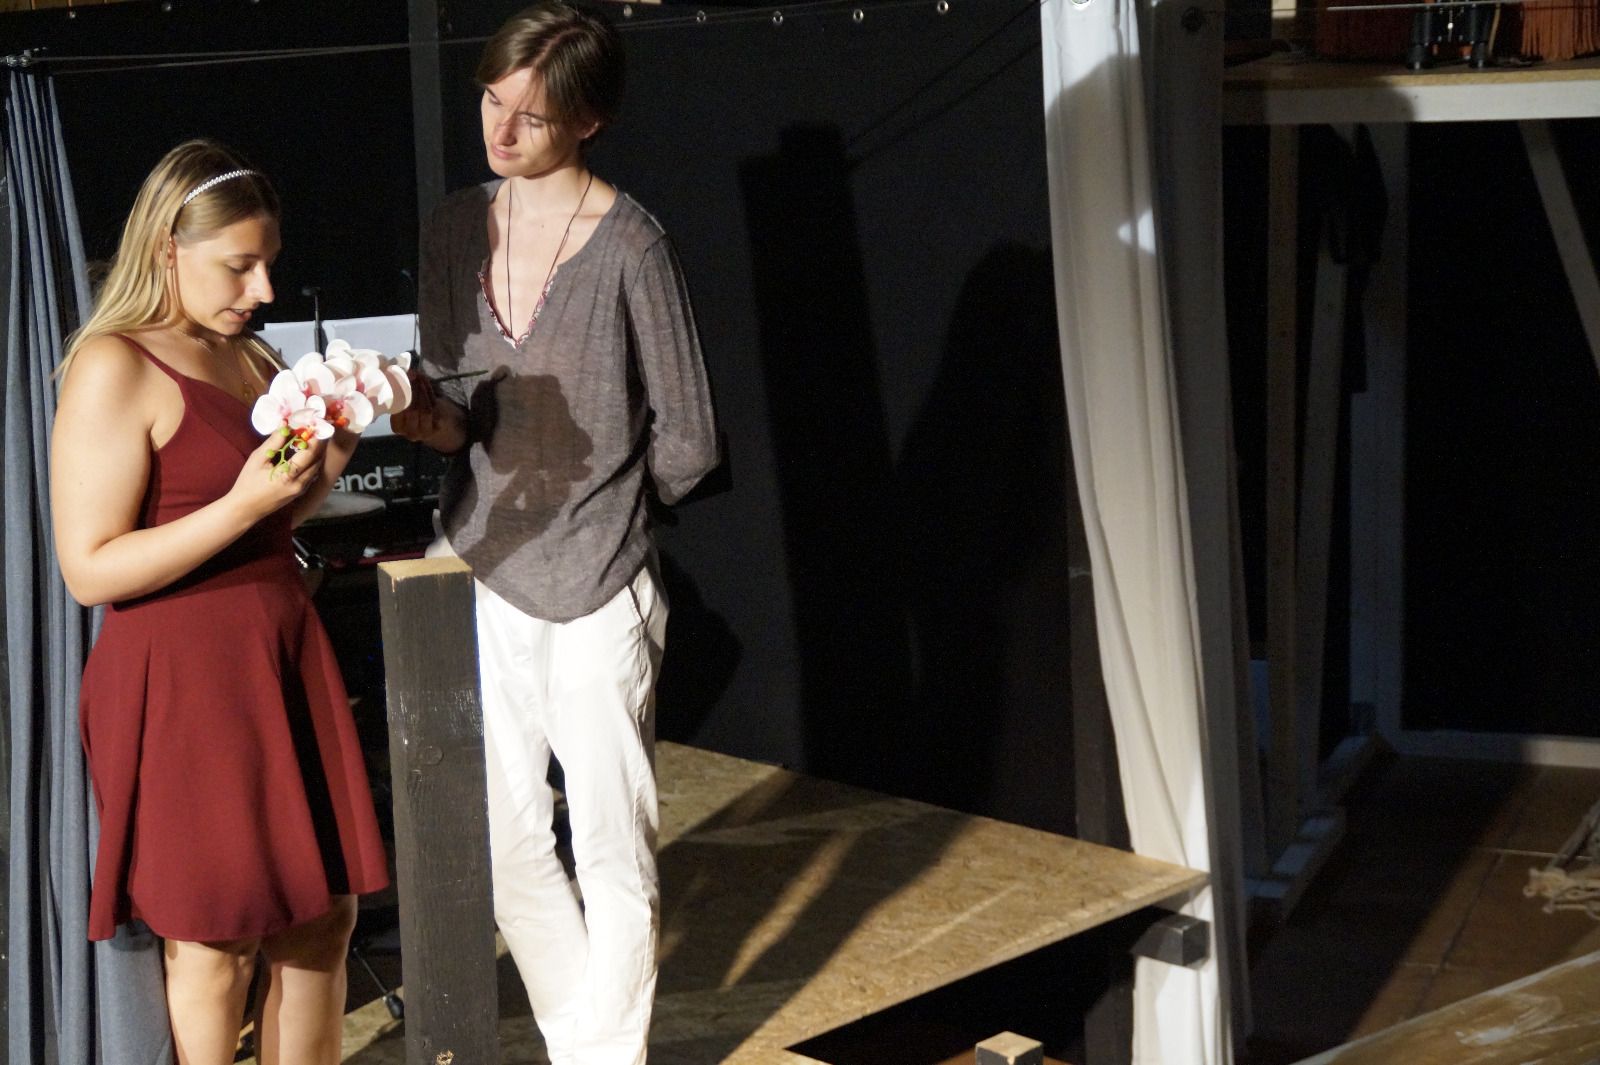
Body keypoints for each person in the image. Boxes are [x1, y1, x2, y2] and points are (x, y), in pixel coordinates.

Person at [391, 3, 719, 1061]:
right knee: (504, 837)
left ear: (588, 121)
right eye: (493, 101)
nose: (501, 129)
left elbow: (690, 437)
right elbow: (455, 412)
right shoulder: (454, 228)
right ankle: (589, 1044)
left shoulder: (631, 245)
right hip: (480, 564)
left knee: (613, 843)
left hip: (596, 579)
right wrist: (413, 414)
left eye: (531, 116)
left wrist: (607, 507)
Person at [50, 139, 390, 1065]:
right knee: (217, 938)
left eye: (268, 262)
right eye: (240, 265)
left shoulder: (249, 356)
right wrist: (244, 501)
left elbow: (265, 520)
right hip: (182, 682)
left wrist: (327, 460)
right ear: (169, 249)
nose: (263, 288)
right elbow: (89, 568)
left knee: (322, 918)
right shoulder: (115, 364)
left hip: (278, 657)